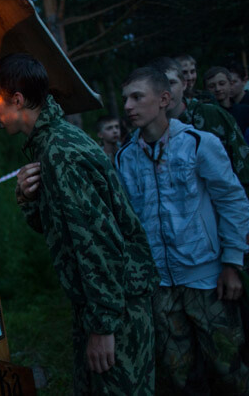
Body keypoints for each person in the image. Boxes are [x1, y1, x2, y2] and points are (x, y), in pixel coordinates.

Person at [0, 53, 159, 395]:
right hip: (102, 304)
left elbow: (98, 243)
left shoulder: (61, 152)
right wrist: (27, 198)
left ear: (17, 100)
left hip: (117, 308)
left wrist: (103, 327)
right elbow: (62, 230)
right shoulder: (50, 144)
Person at [116, 67, 249, 394]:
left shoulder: (199, 144)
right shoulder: (125, 157)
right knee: (179, 374)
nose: (128, 107)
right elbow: (127, 222)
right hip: (159, 283)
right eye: (125, 99)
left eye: (137, 97)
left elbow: (232, 200)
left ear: (164, 99)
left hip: (207, 278)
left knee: (229, 365)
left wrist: (232, 263)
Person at [148, 57, 249, 197]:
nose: (166, 91)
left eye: (171, 83)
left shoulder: (211, 116)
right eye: (158, 85)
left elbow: (243, 167)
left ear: (184, 84)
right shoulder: (148, 131)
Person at [204, 66, 249, 135]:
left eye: (222, 84)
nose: (217, 89)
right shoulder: (204, 115)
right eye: (212, 86)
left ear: (230, 84)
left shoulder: (245, 111)